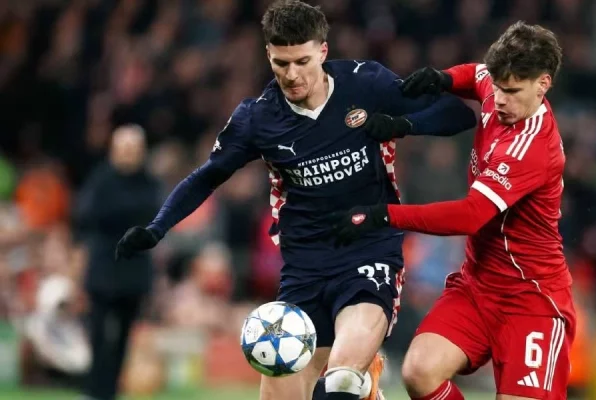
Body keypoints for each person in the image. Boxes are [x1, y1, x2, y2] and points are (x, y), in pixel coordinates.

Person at [114, 1, 476, 400]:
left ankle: (359, 379)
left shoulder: (365, 83)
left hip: (369, 251)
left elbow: (457, 116)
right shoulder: (258, 118)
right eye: (281, 63)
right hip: (304, 267)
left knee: (340, 379)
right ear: (268, 55)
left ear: (322, 51)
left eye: (302, 61)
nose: (292, 74)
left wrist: (401, 124)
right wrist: (157, 228)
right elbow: (207, 177)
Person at [331, 22, 576, 400]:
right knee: (419, 372)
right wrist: (443, 78)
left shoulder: (532, 148)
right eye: (498, 88)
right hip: (477, 287)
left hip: (532, 300)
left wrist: (385, 215)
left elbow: (469, 216)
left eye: (511, 91)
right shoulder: (499, 88)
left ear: (543, 84)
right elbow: (477, 75)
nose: (500, 99)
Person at [74, 125, 161, 400]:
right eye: (123, 149)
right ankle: (95, 390)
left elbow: (152, 215)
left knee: (124, 334)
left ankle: (111, 390)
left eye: (133, 149)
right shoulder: (100, 179)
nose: (127, 155)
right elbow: (88, 215)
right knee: (97, 333)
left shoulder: (149, 182)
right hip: (103, 267)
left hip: (134, 270)